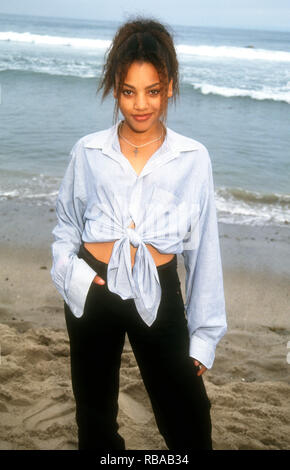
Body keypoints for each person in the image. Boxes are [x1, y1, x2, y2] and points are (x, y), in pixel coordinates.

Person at [50, 17, 227, 451]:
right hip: (93, 286)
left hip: (161, 292)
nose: (140, 104)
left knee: (189, 422)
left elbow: (203, 249)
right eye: (129, 91)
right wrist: (69, 271)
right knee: (95, 420)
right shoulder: (89, 151)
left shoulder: (192, 158)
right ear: (115, 87)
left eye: (152, 90)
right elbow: (66, 225)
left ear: (168, 87)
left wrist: (204, 336)